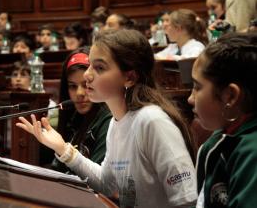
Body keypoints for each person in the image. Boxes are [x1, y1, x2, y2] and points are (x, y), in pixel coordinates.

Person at [16, 29, 197, 208]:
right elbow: (107, 184)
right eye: (90, 65)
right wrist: (63, 148)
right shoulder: (116, 123)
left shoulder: (152, 121)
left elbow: (187, 199)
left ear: (130, 77)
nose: (87, 74)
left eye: (99, 67)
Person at [188, 32, 257, 208]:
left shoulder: (252, 152)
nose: (190, 98)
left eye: (197, 87)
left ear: (230, 96)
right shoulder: (219, 140)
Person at [48, 46, 111, 172]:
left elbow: (99, 181)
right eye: (72, 86)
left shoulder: (108, 120)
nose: (79, 93)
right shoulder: (73, 118)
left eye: (86, 84)